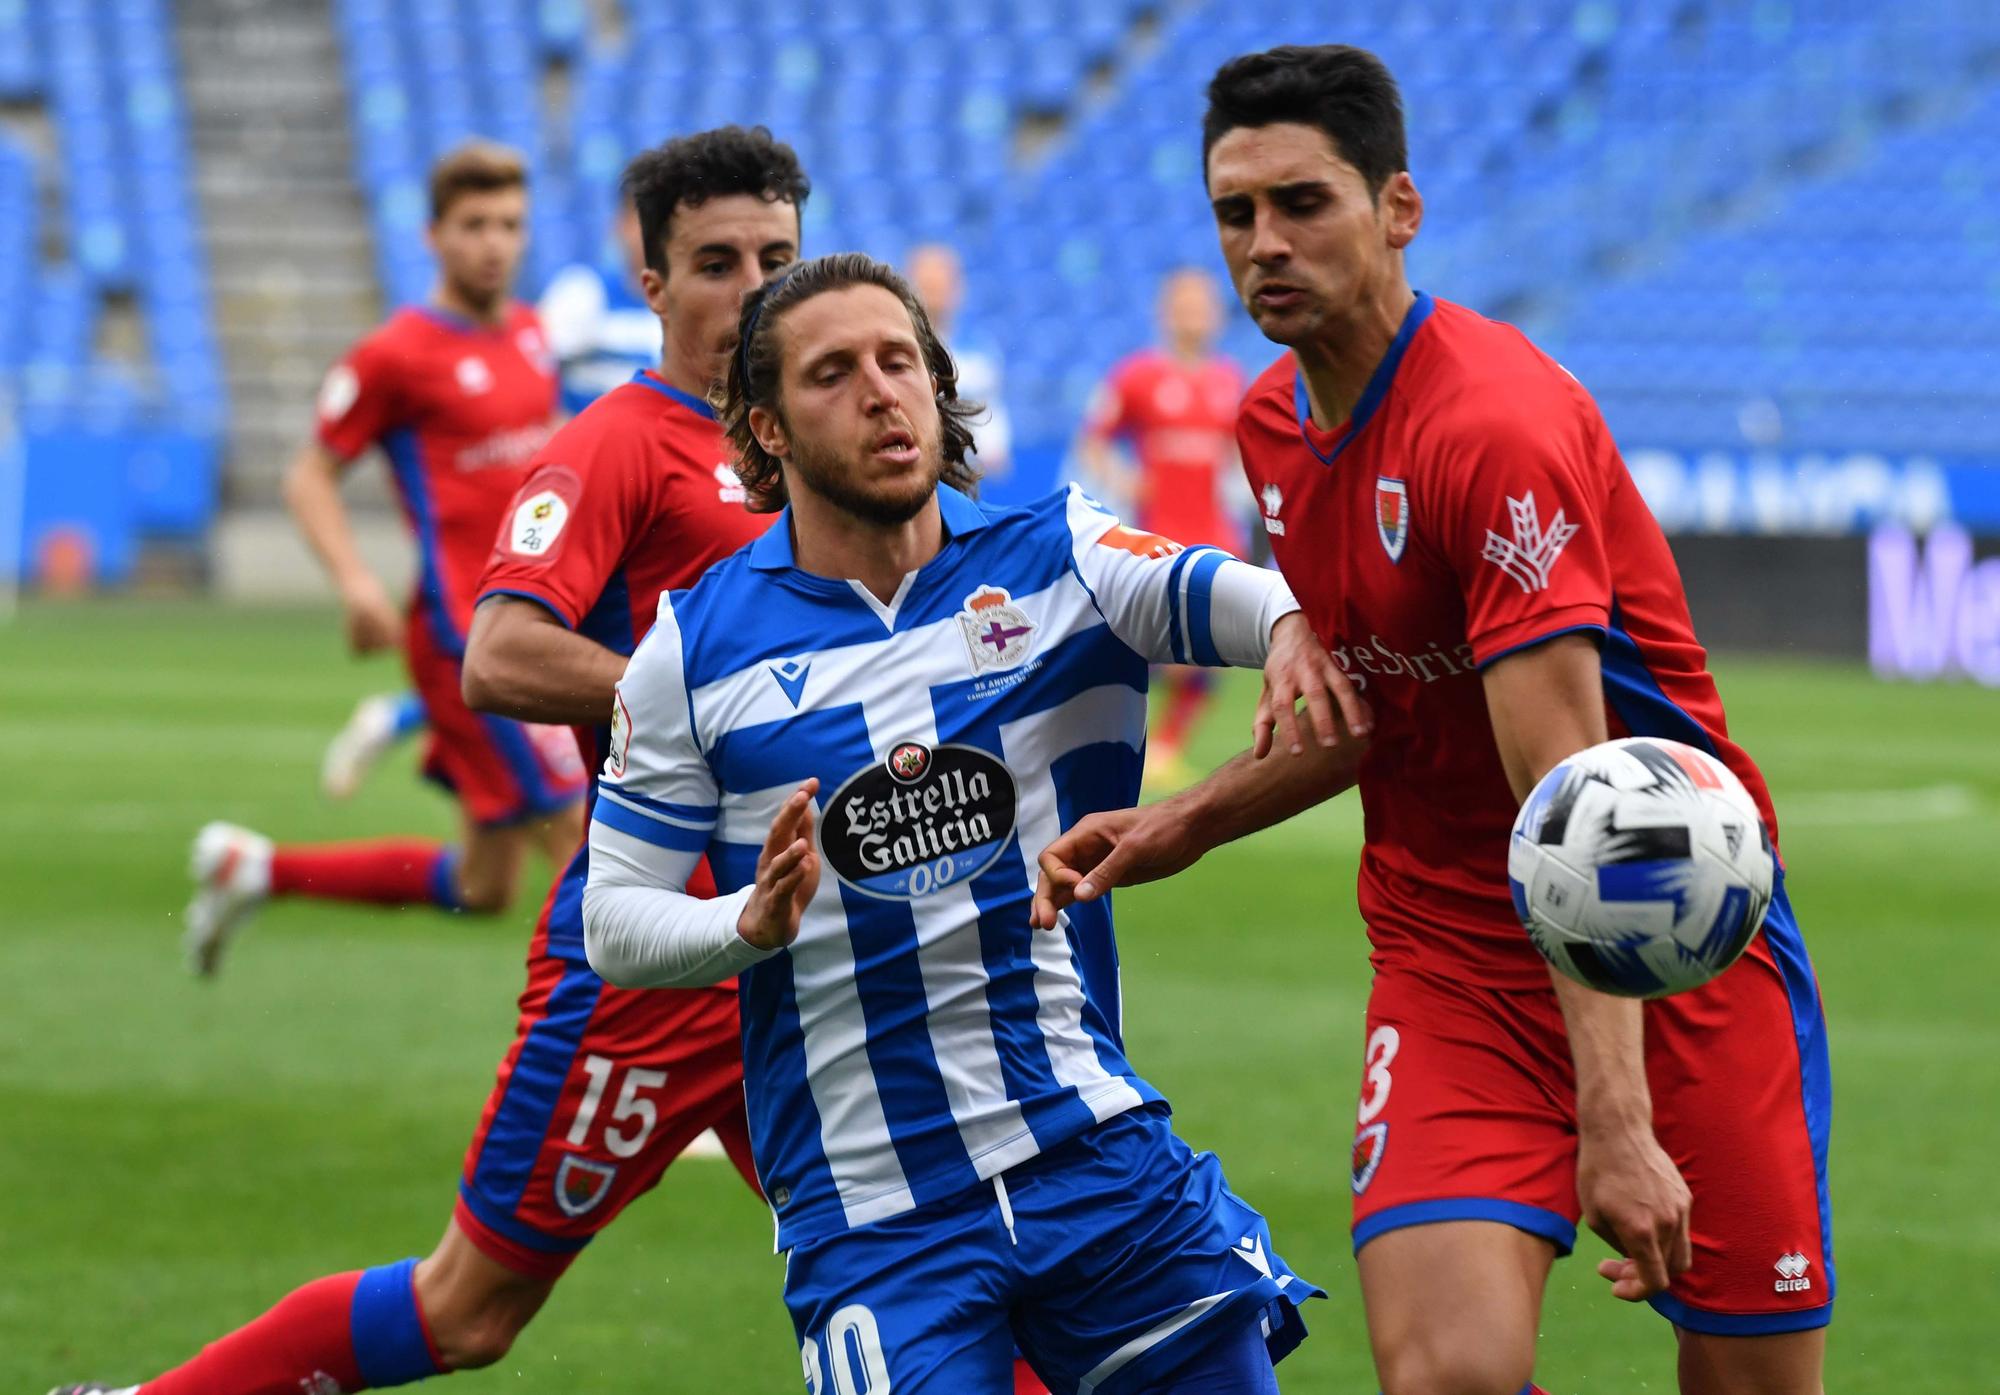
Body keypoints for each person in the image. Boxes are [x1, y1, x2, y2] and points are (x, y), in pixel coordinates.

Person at [1033, 44, 1832, 1395]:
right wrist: (1186, 820)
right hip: (1454, 948)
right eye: (1237, 214)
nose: (1264, 244)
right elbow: (1376, 704)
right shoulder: (1272, 424)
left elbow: (1575, 812)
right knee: (1445, 1373)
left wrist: (1617, 1119)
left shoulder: (1493, 424)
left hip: (1667, 934)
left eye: (1304, 203)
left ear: (1398, 207)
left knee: (1752, 1380)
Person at [49, 127, 807, 1395]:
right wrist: (693, 708)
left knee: (908, 1252)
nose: (750, 290)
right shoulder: (620, 439)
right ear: (652, 282)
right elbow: (502, 658)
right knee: (470, 1312)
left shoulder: (800, 440)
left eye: (775, 259)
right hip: (649, 958)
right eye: (716, 262)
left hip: (787, 942)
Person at [578, 252, 1336, 1393]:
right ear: (766, 428)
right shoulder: (690, 651)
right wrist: (746, 921)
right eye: (832, 374)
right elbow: (612, 922)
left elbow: (1235, 593)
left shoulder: (1058, 557)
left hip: (1093, 1158)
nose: (881, 392)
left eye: (899, 362)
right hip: (873, 1218)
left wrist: (1285, 624)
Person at [182, 141, 585, 976]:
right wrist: (357, 582)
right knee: (590, 844)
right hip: (465, 639)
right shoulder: (396, 354)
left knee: (485, 884)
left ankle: (253, 868)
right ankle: (607, 1078)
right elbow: (308, 475)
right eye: (474, 224)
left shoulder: (533, 336)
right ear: (433, 234)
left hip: (531, 620)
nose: (494, 243)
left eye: (510, 223)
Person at [1078, 267, 1248, 788]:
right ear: (1166, 312)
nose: (1193, 315)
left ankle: (1167, 746)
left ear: (1216, 315)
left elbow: (1242, 454)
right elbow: (1095, 438)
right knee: (1146, 641)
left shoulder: (1229, 382)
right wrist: (1125, 480)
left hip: (1215, 530)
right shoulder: (1137, 377)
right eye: (1184, 305)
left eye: (1202, 305)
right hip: (1158, 530)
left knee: (1213, 648)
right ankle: (1126, 739)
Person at [906, 241, 1011, 480]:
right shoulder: (899, 348)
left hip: (968, 471)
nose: (934, 294)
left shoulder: (981, 350)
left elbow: (990, 409)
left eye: (942, 284)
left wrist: (993, 448)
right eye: (928, 284)